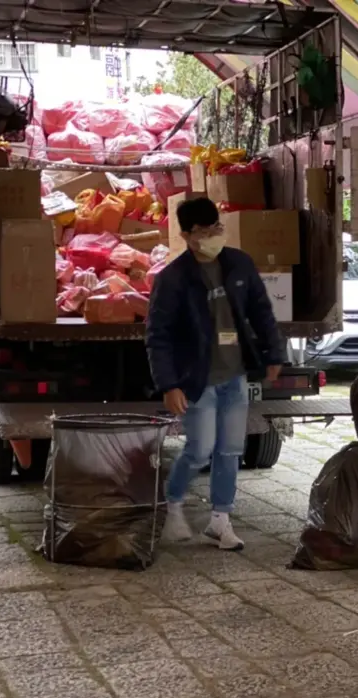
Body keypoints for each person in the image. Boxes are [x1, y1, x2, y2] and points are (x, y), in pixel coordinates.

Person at [146, 197, 285, 550]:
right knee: (200, 449)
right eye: (203, 231)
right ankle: (172, 505)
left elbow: (261, 311)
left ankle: (220, 520)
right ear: (186, 235)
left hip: (235, 375)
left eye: (216, 228)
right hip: (197, 379)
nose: (212, 236)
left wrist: (273, 353)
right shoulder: (173, 279)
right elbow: (157, 336)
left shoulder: (239, 264)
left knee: (230, 450)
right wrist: (169, 384)